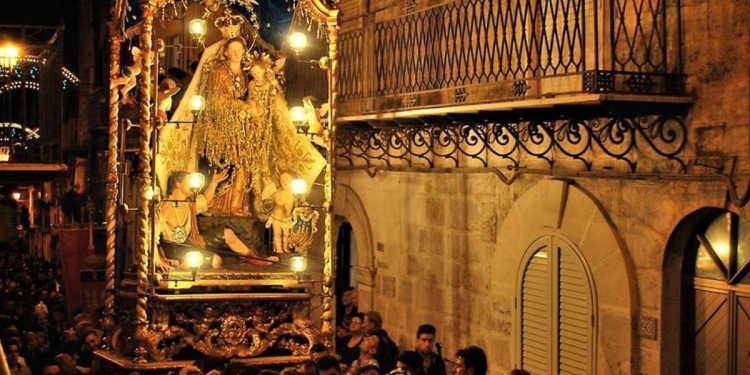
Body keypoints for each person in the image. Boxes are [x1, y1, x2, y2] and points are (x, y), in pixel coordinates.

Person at [156, 170, 279, 269]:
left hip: (191, 241)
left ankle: (255, 260)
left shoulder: (188, 204)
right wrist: (159, 260)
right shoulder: (165, 207)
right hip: (176, 249)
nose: (193, 185)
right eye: (189, 181)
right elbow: (152, 237)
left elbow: (204, 201)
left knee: (227, 233)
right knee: (215, 260)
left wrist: (214, 182)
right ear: (178, 184)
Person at [267, 172, 296, 253]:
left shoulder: (294, 194)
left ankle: (285, 247)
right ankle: (278, 248)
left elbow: (294, 205)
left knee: (286, 234)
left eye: (287, 180)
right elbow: (270, 203)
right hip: (277, 216)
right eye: (283, 181)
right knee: (277, 233)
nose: (285, 182)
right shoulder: (277, 193)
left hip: (287, 217)